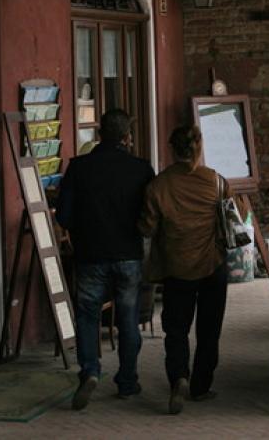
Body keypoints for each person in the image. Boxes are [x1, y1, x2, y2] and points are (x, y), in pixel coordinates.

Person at [56, 109, 155, 410]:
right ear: (127, 137)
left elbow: (63, 215)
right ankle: (127, 381)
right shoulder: (141, 169)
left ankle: (90, 372)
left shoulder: (79, 168)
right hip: (128, 255)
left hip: (90, 255)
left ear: (99, 134)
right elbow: (149, 216)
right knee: (127, 318)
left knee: (87, 316)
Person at [138, 125, 230, 415]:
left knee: (176, 329)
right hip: (212, 265)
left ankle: (179, 377)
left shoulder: (158, 186)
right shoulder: (216, 181)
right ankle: (201, 386)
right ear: (199, 147)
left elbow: (146, 227)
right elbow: (233, 217)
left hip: (176, 267)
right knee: (209, 329)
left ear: (172, 149)